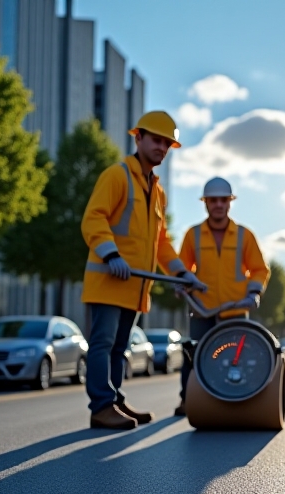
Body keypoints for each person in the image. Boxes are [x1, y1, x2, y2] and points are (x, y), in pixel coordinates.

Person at [81, 111, 205, 430]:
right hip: (109, 279)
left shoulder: (158, 192)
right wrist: (111, 255)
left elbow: (160, 243)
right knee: (103, 344)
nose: (162, 148)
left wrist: (180, 273)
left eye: (167, 143)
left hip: (136, 286)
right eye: (156, 140)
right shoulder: (117, 175)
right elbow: (94, 218)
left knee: (119, 348)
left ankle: (115, 399)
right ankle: (101, 406)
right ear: (138, 138)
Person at [174, 176, 270, 416]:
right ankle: (188, 400)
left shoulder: (244, 236)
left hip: (236, 309)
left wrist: (254, 292)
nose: (218, 204)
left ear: (230, 203)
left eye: (223, 200)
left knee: (239, 356)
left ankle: (240, 401)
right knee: (194, 354)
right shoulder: (192, 235)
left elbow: (259, 269)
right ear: (205, 203)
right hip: (202, 308)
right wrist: (181, 284)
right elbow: (182, 269)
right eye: (213, 200)